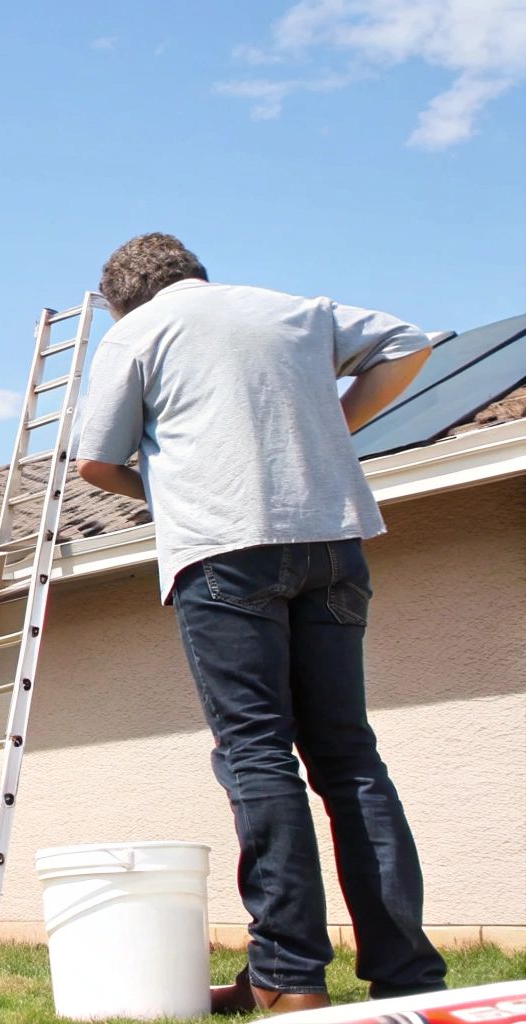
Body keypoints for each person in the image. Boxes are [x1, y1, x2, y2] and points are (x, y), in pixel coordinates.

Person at [73, 233, 447, 1014]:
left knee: (257, 755)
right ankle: (405, 972)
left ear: (121, 297)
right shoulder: (292, 310)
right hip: (332, 543)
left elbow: (96, 465)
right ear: (196, 275)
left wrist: (173, 492)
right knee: (349, 759)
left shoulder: (136, 332)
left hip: (224, 553)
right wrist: (335, 429)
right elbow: (409, 344)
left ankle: (288, 978)